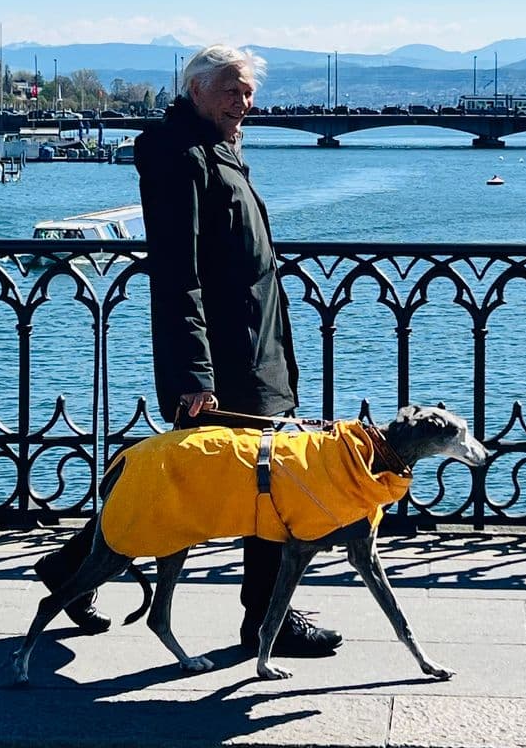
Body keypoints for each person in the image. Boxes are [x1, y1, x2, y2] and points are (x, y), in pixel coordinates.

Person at [32, 44, 342, 658]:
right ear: (195, 90)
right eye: (230, 89)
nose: (242, 101)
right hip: (226, 358)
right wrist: (194, 371)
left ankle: (72, 572)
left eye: (248, 91)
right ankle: (265, 622)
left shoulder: (217, 147)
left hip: (256, 346)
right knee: (242, 483)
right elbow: (178, 271)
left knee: (205, 481)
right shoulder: (178, 155)